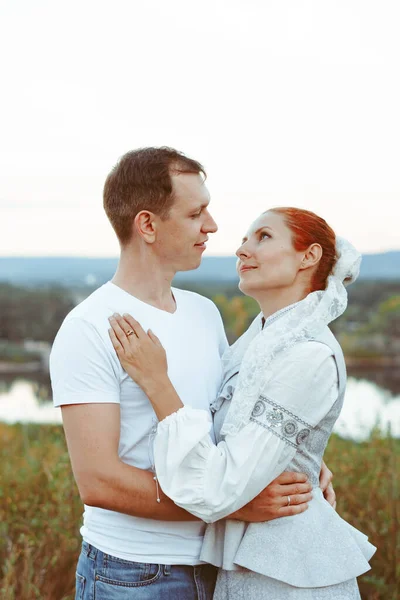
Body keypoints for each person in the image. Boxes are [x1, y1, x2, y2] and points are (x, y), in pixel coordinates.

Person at [50, 148, 335, 600]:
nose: (213, 226)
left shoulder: (204, 313)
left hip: (219, 568)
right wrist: (233, 504)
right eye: (196, 212)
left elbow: (227, 414)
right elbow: (99, 481)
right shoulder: (90, 326)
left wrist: (290, 454)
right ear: (148, 225)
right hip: (133, 574)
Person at [108, 207, 377, 599]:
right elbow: (242, 428)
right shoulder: (255, 345)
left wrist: (155, 381)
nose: (242, 249)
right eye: (245, 239)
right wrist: (295, 451)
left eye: (263, 237)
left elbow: (218, 489)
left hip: (289, 577)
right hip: (246, 571)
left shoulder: (309, 355)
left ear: (310, 256)